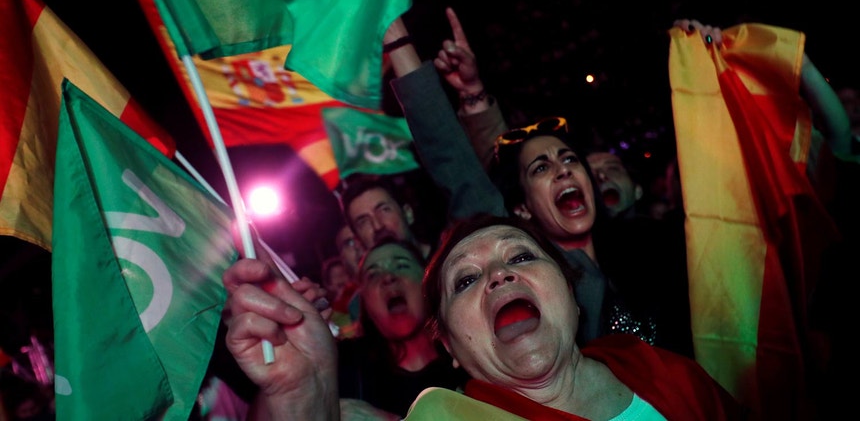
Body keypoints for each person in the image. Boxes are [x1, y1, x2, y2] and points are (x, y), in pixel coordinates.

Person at [221, 214, 746, 420]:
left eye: (520, 257)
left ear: (570, 293)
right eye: (466, 281)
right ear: (448, 345)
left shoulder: (660, 369)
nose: (498, 275)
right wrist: (300, 401)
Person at [385, 10, 660, 348]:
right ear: (523, 208)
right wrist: (397, 41)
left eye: (570, 159)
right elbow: (454, 161)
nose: (562, 170)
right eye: (541, 168)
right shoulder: (536, 272)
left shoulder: (649, 246)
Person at [223, 237, 468, 420]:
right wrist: (290, 383)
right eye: (373, 275)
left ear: (428, 282)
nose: (388, 277)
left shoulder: (469, 357)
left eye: (401, 265)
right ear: (365, 302)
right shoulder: (341, 361)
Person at [338, 175, 433, 259]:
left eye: (384, 210)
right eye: (363, 222)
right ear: (358, 240)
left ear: (408, 213)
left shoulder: (444, 261)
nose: (377, 226)